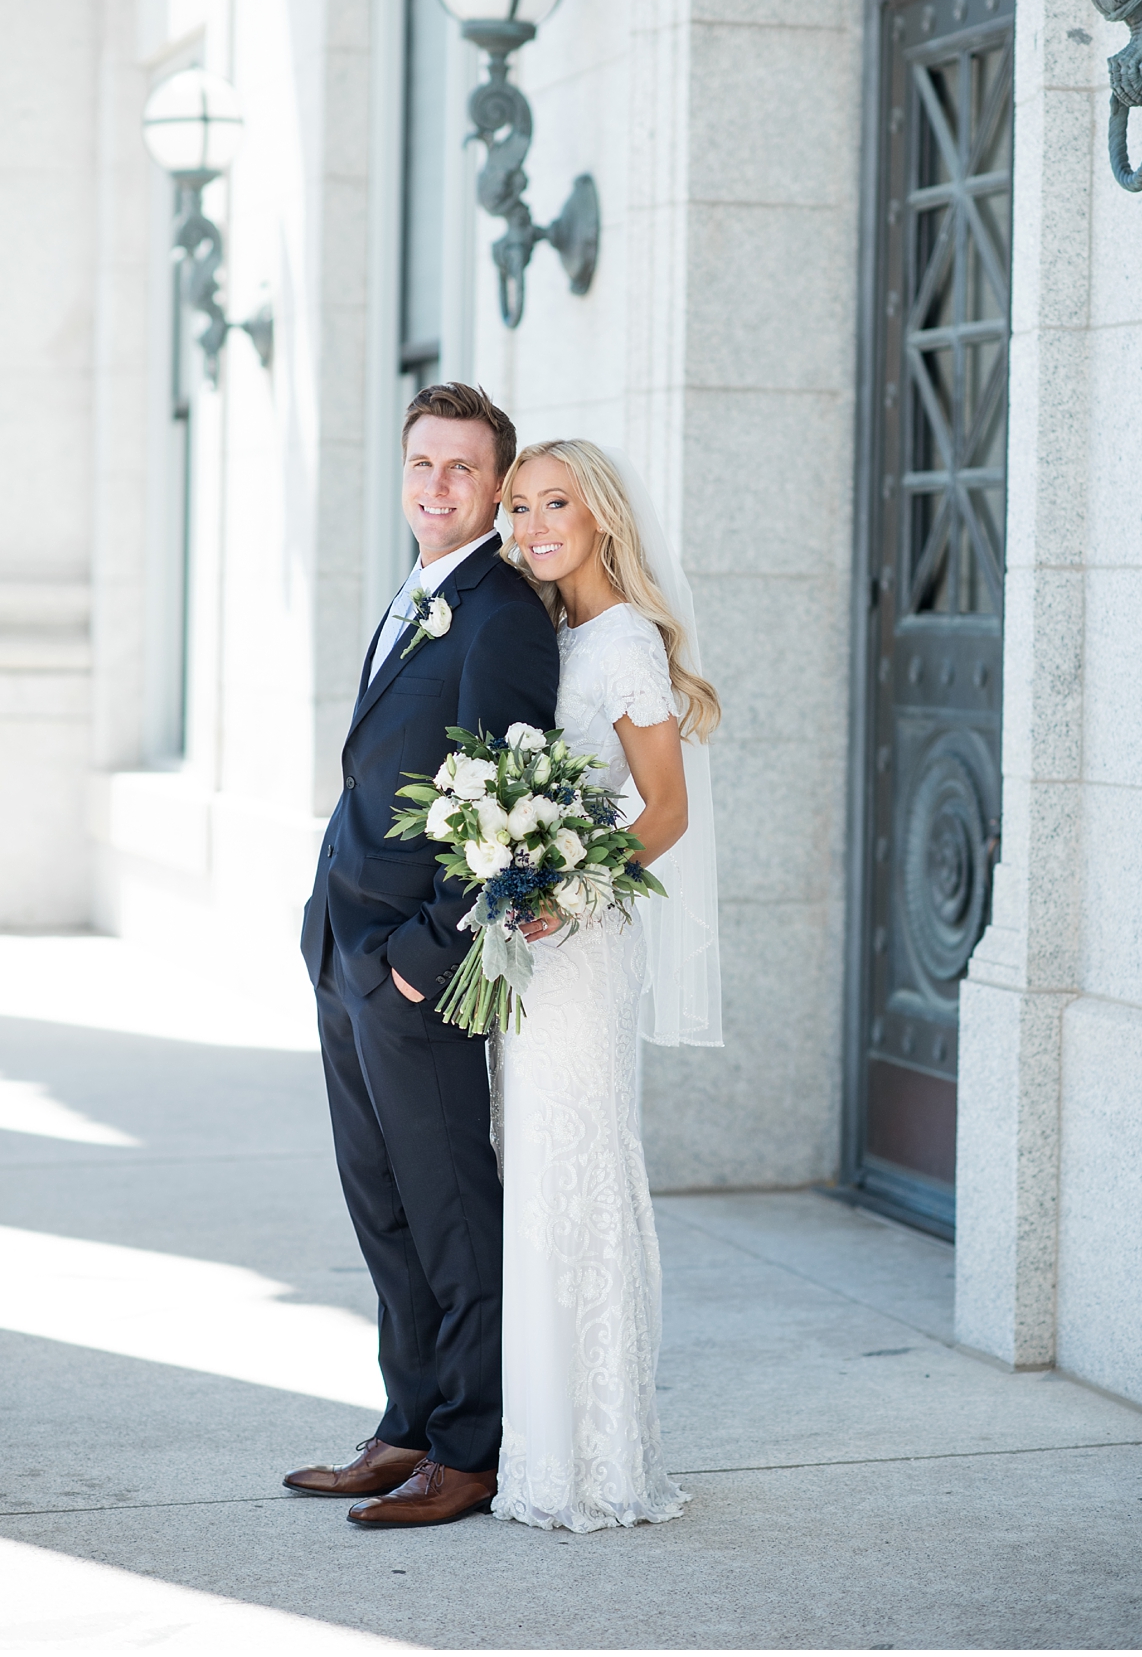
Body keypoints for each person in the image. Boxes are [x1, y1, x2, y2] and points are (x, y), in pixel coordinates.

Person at [285, 381, 557, 1528]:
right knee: (382, 1205)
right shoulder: (417, 591)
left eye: (459, 470)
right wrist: (333, 929)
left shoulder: (499, 616)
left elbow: (511, 791)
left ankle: (469, 1447)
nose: (436, 487)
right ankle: (404, 1424)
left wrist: (420, 950)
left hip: (412, 965)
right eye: (420, 465)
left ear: (495, 487)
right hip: (341, 947)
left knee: (450, 1209)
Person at [489, 437, 721, 1533]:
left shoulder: (623, 642)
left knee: (576, 1172)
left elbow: (663, 810)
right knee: (536, 1174)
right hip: (537, 942)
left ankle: (598, 1460)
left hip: (583, 947)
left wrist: (568, 894)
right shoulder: (557, 631)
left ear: (601, 518)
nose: (533, 524)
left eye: (554, 504)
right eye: (519, 505)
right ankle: (545, 1447)